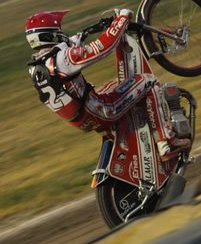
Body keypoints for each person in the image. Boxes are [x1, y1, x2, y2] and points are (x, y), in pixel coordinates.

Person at [25, 9, 190, 161]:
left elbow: (67, 48)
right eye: (58, 30)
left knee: (114, 85)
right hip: (100, 111)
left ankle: (133, 140)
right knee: (148, 81)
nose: (61, 33)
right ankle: (166, 142)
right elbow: (103, 48)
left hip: (82, 119)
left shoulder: (37, 66)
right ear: (50, 35)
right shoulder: (63, 59)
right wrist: (122, 19)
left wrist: (84, 33)